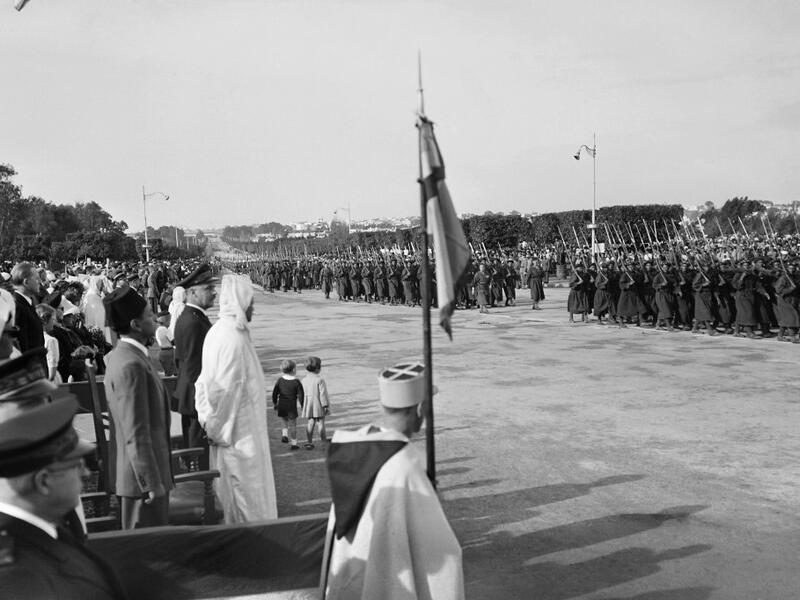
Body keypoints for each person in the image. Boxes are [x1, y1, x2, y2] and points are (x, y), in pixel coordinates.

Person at [324, 361, 464, 600]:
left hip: (351, 572)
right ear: (421, 410)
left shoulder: (355, 446)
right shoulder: (405, 464)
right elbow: (440, 554)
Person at [0, 397, 126, 599]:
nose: (86, 473)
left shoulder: (46, 531)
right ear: (44, 481)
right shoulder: (16, 576)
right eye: (76, 464)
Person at [194, 275, 277, 523]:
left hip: (240, 433)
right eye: (250, 302)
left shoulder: (225, 331)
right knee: (247, 507)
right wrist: (214, 429)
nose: (253, 307)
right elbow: (223, 394)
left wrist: (206, 420)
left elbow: (202, 385)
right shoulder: (231, 339)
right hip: (239, 440)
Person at [103, 286, 173, 529]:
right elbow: (136, 433)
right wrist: (151, 483)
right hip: (142, 485)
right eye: (148, 314)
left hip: (143, 480)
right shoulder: (130, 364)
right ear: (135, 324)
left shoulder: (129, 356)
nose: (155, 317)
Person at [173, 263, 217, 469]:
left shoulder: (194, 316)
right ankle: (200, 490)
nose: (213, 293)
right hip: (195, 398)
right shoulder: (192, 321)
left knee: (198, 448)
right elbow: (192, 367)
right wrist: (202, 402)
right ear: (192, 292)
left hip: (192, 395)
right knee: (198, 452)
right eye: (208, 289)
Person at [10, 262, 44, 359]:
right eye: (37, 278)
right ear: (26, 282)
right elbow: (22, 346)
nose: (40, 281)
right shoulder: (18, 306)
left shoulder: (28, 303)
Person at [272, 359, 304, 451]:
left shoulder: (280, 380)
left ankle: (284, 434)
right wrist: (303, 406)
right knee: (293, 425)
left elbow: (275, 393)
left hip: (282, 405)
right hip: (291, 407)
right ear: (293, 370)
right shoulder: (296, 382)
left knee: (284, 421)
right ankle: (294, 444)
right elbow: (301, 396)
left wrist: (275, 403)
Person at [301, 356, 330, 449]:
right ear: (317, 368)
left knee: (310, 422)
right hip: (318, 404)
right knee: (321, 423)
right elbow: (323, 394)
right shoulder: (319, 380)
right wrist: (325, 405)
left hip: (308, 404)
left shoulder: (304, 380)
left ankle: (309, 442)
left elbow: (302, 394)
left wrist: (303, 405)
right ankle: (324, 442)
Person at [155, 311, 176, 376]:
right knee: (172, 372)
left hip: (161, 352)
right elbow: (173, 342)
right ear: (165, 320)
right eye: (169, 321)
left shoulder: (157, 330)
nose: (170, 323)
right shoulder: (166, 330)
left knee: (167, 372)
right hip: (169, 352)